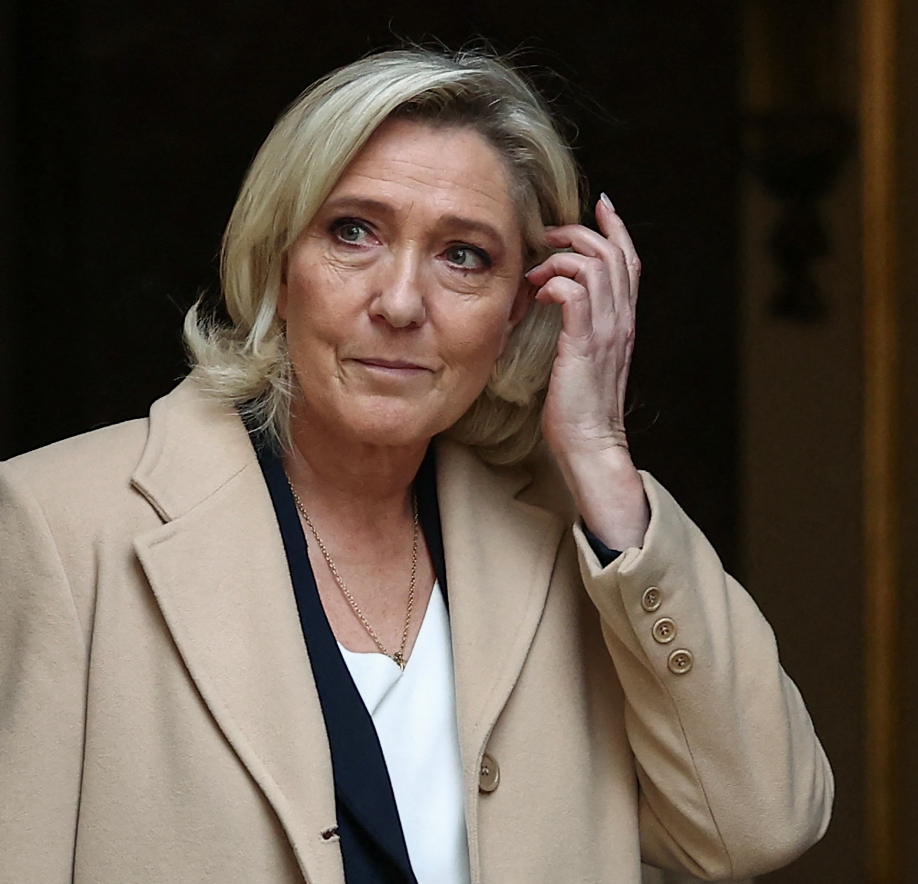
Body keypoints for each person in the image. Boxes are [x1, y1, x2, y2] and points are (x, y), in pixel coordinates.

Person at [0, 49, 832, 884]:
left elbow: (757, 826)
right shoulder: (59, 522)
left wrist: (600, 457)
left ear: (520, 306)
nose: (399, 303)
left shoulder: (577, 544)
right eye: (352, 232)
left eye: (462, 256)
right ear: (279, 260)